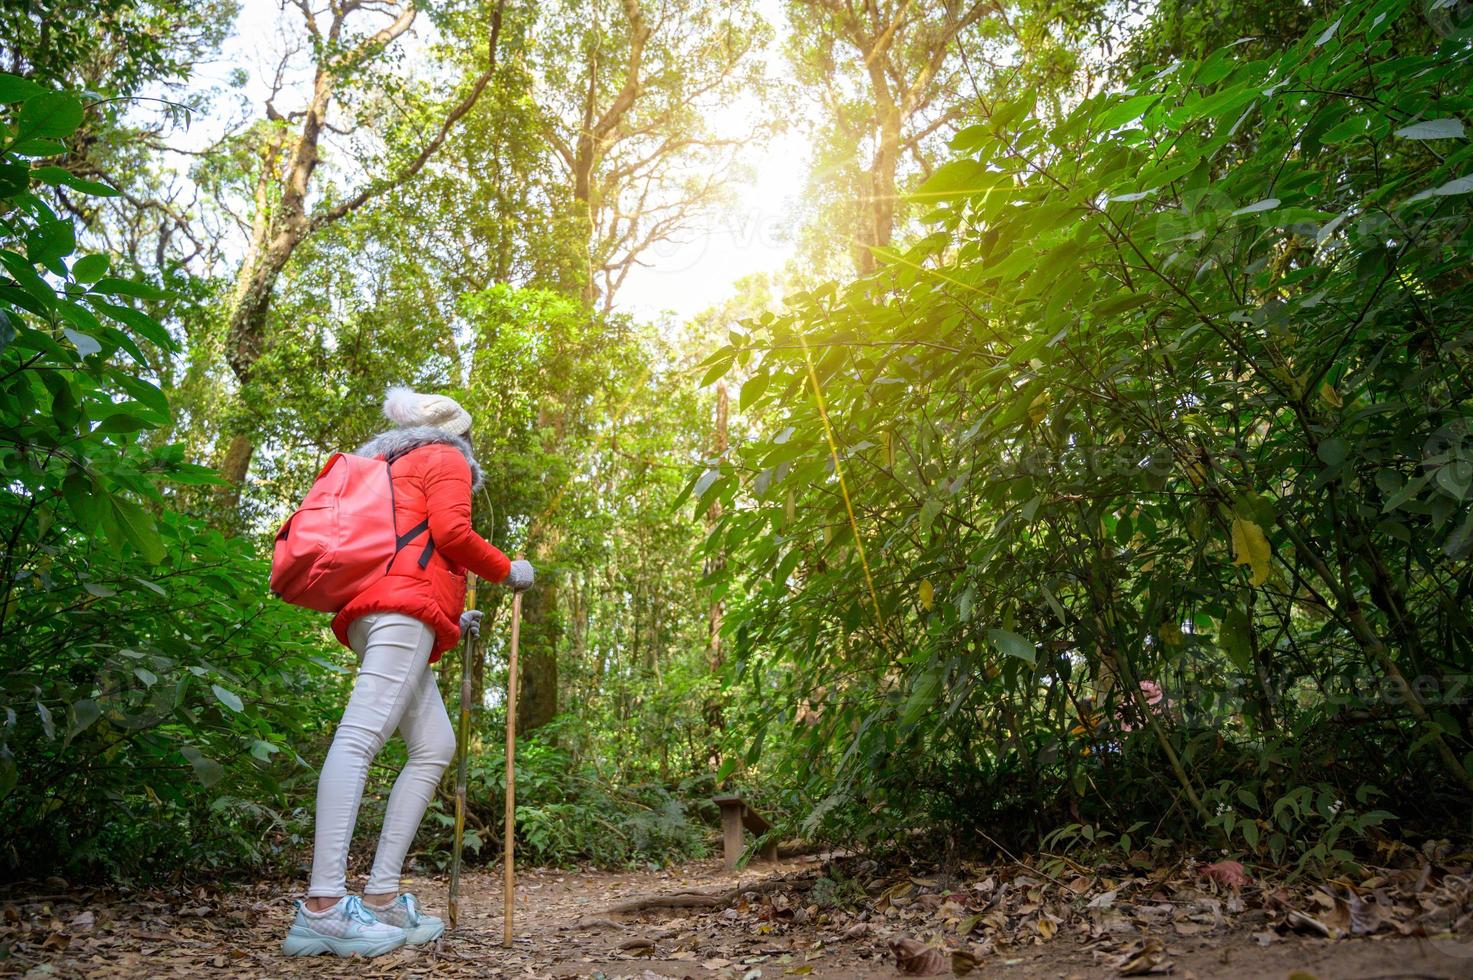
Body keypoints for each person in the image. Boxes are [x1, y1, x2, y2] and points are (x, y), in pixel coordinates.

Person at [281, 387, 533, 958]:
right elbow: (452, 535)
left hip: (388, 609)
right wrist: (508, 570)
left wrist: (452, 612)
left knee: (433, 744)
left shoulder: (388, 464)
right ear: (457, 432)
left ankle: (380, 898)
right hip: (401, 614)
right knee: (360, 738)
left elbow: (410, 548)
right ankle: (322, 906)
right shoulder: (443, 456)